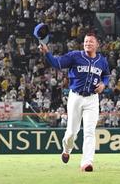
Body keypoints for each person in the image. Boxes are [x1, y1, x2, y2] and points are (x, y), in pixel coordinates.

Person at [39, 32, 110, 172]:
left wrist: (103, 84)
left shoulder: (102, 60)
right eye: (86, 41)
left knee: (90, 131)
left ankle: (87, 163)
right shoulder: (75, 56)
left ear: (97, 44)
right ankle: (66, 149)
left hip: (92, 99)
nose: (87, 43)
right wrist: (47, 53)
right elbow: (57, 63)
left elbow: (106, 75)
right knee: (72, 131)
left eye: (90, 41)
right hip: (76, 97)